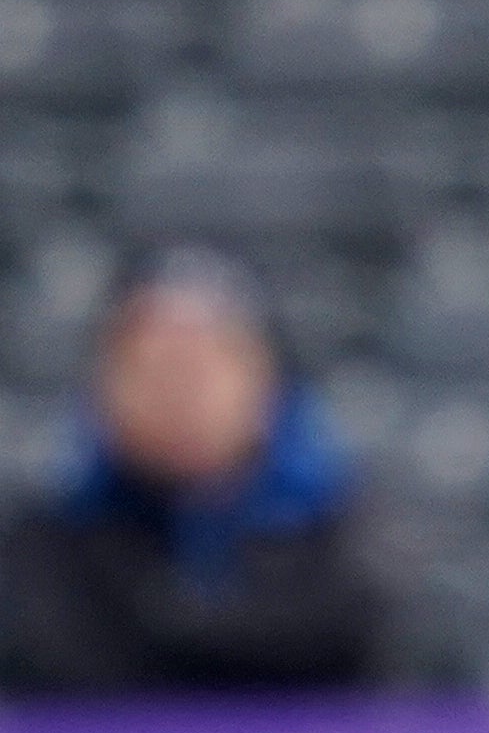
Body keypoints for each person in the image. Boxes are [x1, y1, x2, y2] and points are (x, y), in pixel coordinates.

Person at [0, 251, 385, 698]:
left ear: (266, 382)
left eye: (206, 366)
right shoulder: (40, 554)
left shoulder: (349, 546)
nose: (180, 392)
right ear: (104, 388)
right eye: (155, 366)